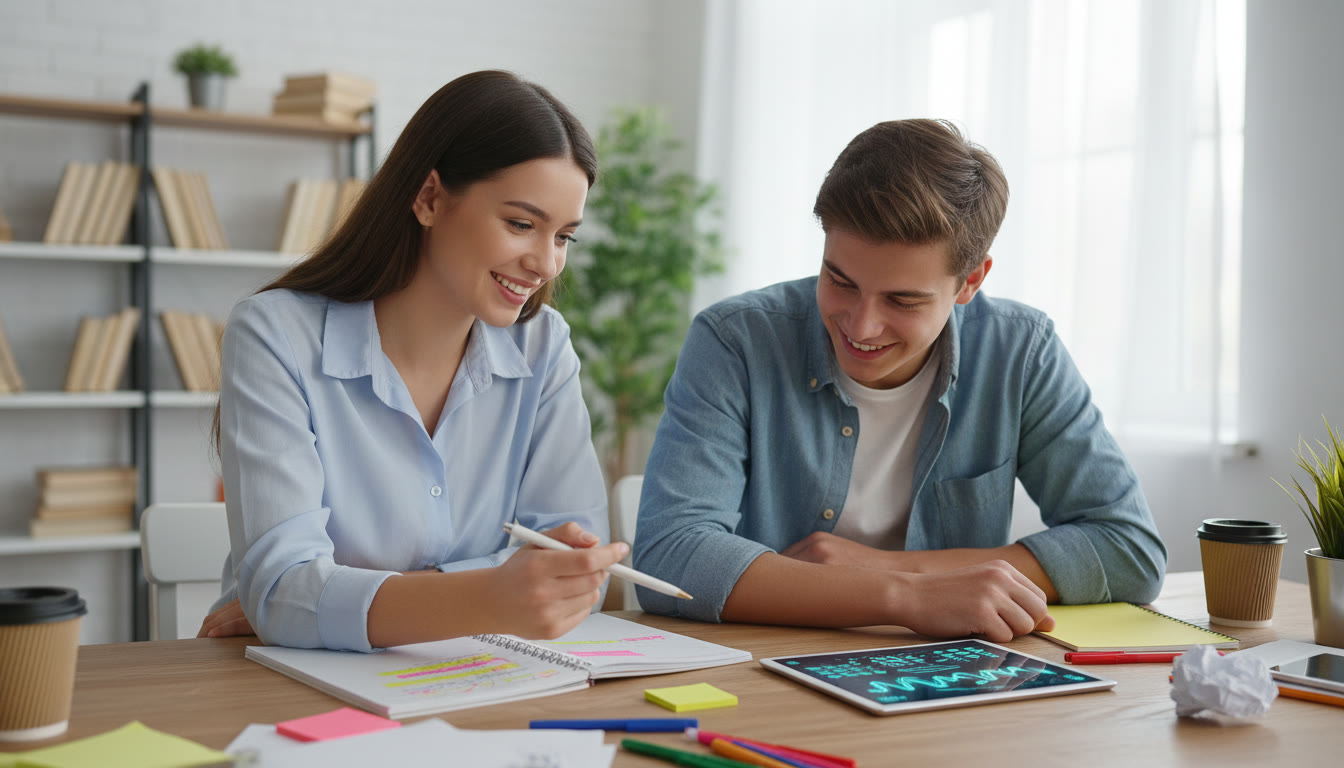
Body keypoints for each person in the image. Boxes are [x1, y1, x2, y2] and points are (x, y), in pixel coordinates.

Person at [632, 119, 1167, 642]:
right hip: (767, 668)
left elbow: (1129, 550)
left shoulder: (1020, 350)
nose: (861, 326)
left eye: (903, 300)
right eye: (839, 280)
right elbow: (670, 557)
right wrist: (904, 595)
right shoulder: (736, 341)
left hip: (949, 680)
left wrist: (891, 566)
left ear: (970, 281)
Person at [195, 70, 624, 651]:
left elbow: (576, 571)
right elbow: (282, 593)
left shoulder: (543, 346)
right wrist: (489, 593)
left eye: (564, 237)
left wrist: (341, 602)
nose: (546, 264)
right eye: (521, 224)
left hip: (481, 679)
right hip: (295, 691)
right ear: (428, 199)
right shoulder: (276, 334)